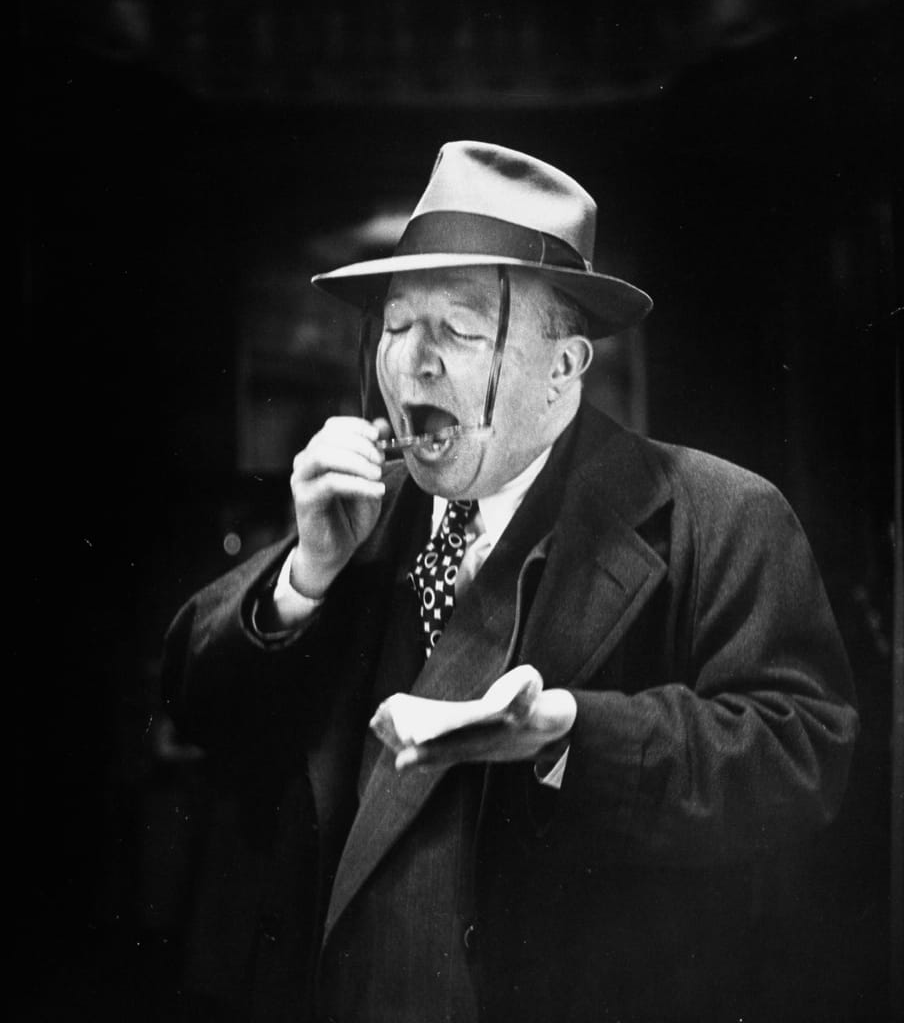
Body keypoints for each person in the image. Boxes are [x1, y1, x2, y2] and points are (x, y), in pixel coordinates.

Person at [162, 141, 858, 1023]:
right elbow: (194, 703)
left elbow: (803, 760)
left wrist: (569, 735)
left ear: (564, 369)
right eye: (396, 325)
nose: (410, 363)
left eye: (455, 330)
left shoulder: (721, 516)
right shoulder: (356, 515)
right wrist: (307, 572)